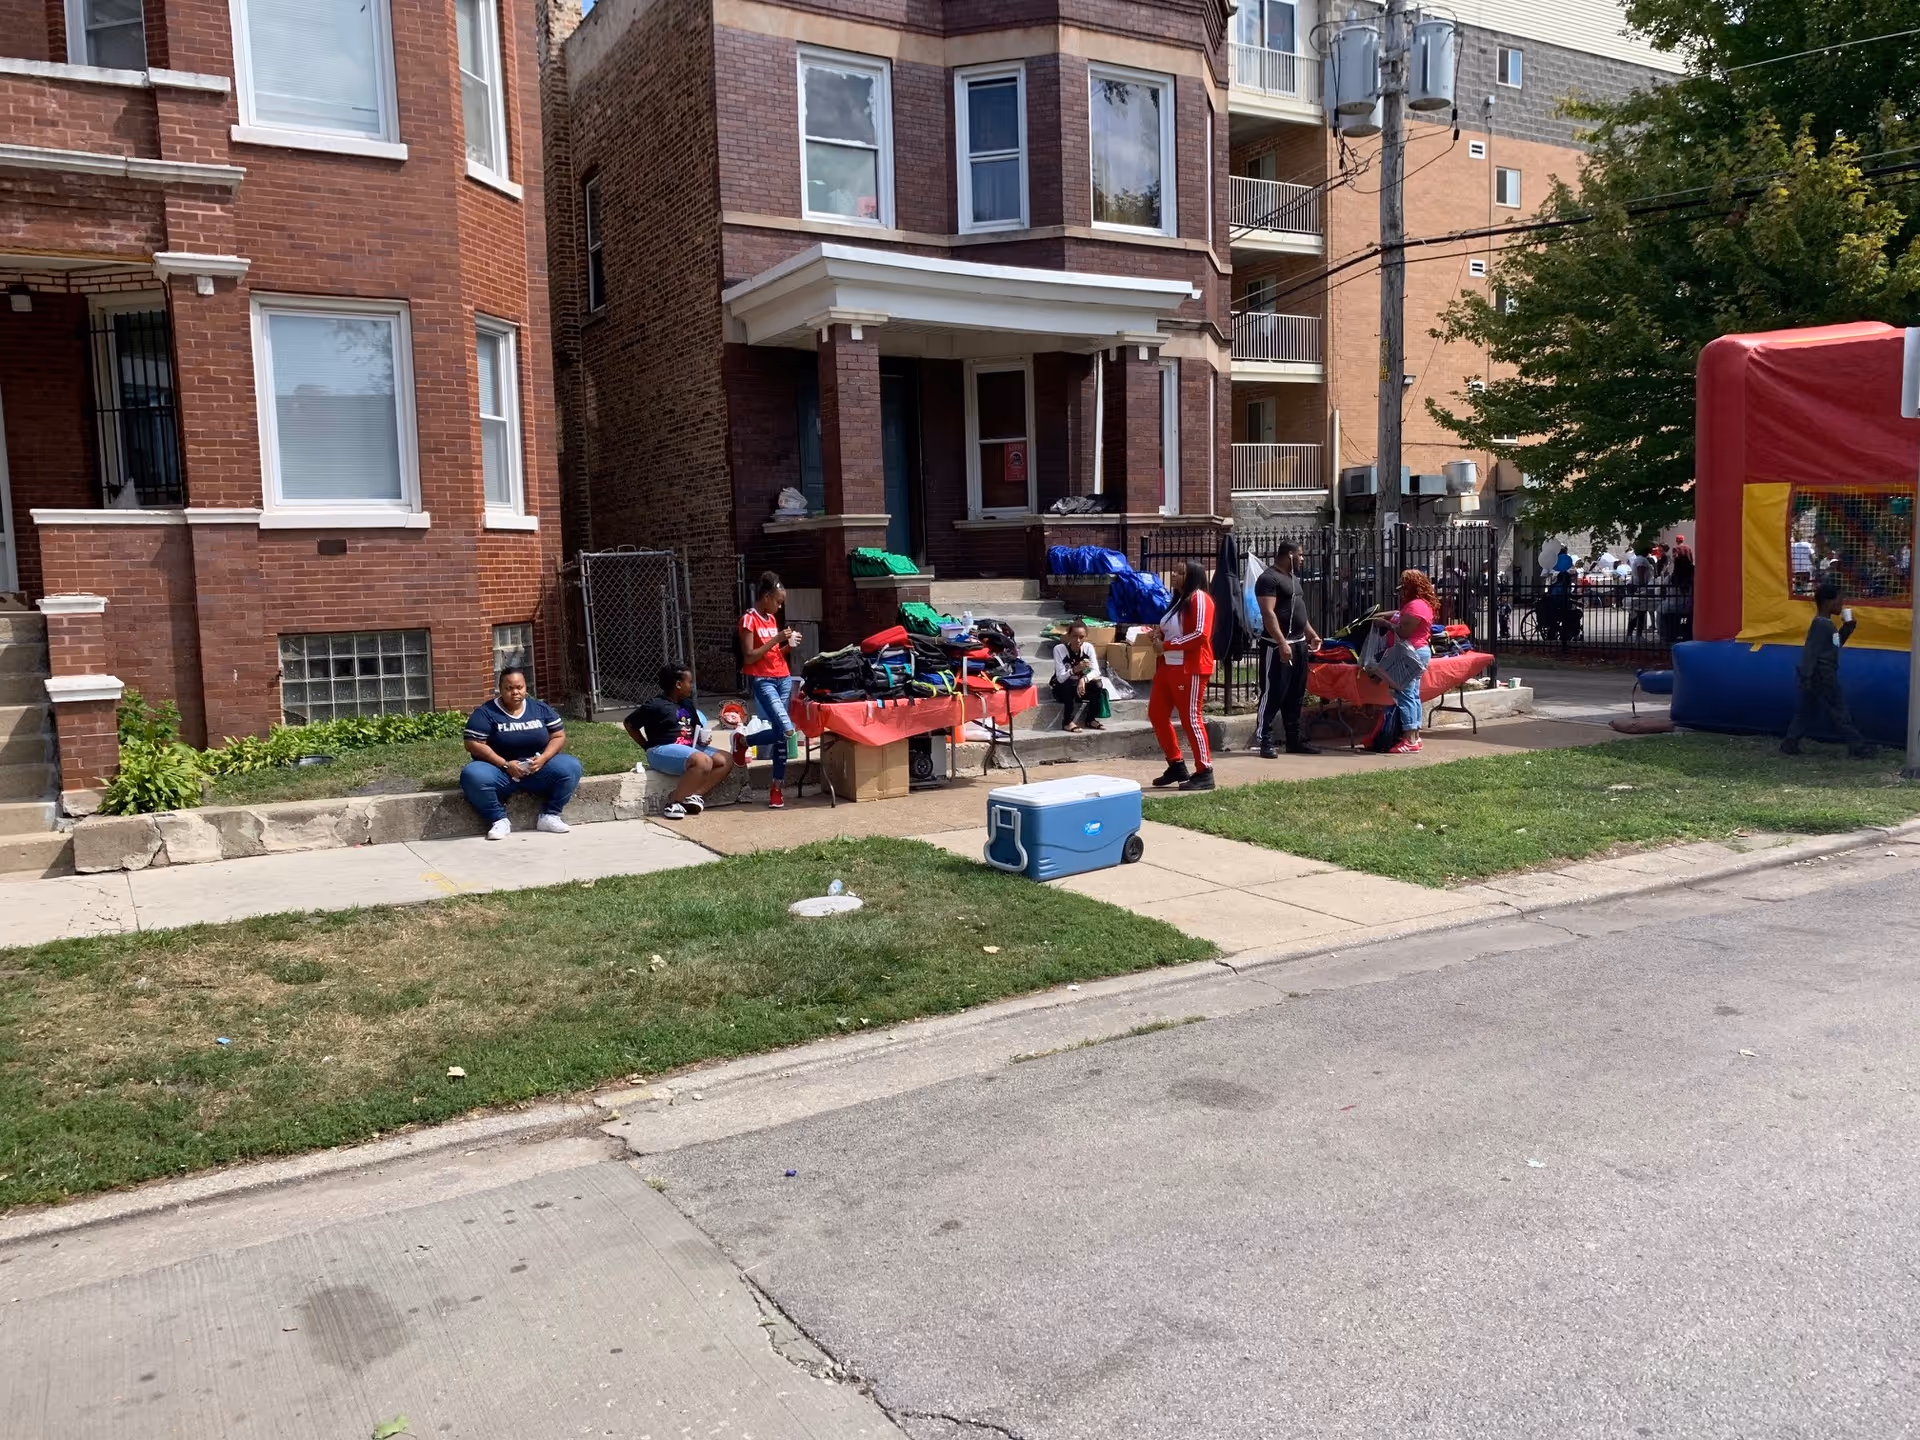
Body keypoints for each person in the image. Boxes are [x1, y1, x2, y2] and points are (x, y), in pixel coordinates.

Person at [460, 666, 584, 840]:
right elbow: (473, 744)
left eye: (519, 687)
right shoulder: (485, 713)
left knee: (571, 766)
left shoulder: (540, 708)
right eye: (509, 688)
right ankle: (499, 820)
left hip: (537, 770)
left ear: (526, 687)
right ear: (500, 689)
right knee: (472, 774)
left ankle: (550, 816)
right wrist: (505, 764)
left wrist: (543, 758)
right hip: (500, 772)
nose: (515, 692)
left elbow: (558, 735)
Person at [626, 664, 735, 819]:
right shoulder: (655, 705)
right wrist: (646, 746)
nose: (692, 686)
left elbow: (696, 728)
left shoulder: (687, 704)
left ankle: (693, 796)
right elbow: (629, 724)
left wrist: (702, 739)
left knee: (726, 759)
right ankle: (673, 802)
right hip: (661, 749)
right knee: (703, 761)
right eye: (689, 682)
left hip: (689, 749)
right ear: (678, 684)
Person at [1781, 583, 1871, 758]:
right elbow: (1811, 651)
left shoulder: (1827, 625)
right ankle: (1858, 747)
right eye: (1839, 600)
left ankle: (1790, 743)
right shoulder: (1822, 625)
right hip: (1823, 674)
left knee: (1807, 711)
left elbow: (1834, 645)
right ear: (1828, 602)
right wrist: (1806, 675)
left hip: (1816, 674)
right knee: (1839, 710)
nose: (1841, 604)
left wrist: (1847, 628)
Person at [1149, 560, 1216, 791]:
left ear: (1193, 576)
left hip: (1190, 667)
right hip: (1168, 666)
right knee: (1157, 714)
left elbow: (1200, 634)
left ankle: (1204, 771)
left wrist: (1166, 645)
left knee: (1191, 719)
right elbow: (1174, 631)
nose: (1175, 576)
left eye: (1181, 573)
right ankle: (1176, 764)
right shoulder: (1178, 601)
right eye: (1174, 571)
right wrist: (1158, 634)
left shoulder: (1200, 598)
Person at [1252, 541, 1322, 759]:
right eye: (1300, 555)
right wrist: (1282, 642)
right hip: (1277, 646)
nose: (1302, 559)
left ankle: (1294, 739)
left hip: (1299, 644)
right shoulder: (1268, 579)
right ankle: (1265, 739)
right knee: (1273, 693)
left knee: (1296, 694)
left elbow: (1298, 611)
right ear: (1289, 555)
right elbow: (1268, 613)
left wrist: (1311, 634)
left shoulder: (1293, 579)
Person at [738, 571, 801, 811]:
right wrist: (776, 640)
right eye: (778, 601)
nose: (780, 606)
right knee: (785, 727)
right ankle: (750, 740)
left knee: (779, 734)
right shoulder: (749, 620)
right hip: (763, 680)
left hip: (782, 677)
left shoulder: (771, 619)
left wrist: (787, 647)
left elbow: (772, 655)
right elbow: (750, 656)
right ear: (766, 597)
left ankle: (776, 786)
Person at [1363, 600, 1433, 755]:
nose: (1399, 591)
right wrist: (1381, 616)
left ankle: (1410, 740)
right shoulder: (1420, 605)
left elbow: (1403, 632)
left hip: (1409, 653)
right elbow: (1398, 614)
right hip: (1416, 651)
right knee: (1412, 695)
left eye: (1402, 588)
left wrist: (1386, 624)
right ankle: (1415, 737)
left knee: (1404, 695)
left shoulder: (1415, 607)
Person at [1050, 619, 1106, 732]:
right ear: (1069, 636)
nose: (1078, 640)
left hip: (1081, 689)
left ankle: (1091, 719)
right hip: (1062, 689)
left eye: (1081, 637)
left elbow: (1096, 671)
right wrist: (1075, 670)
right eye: (1074, 636)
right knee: (1071, 682)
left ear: (1086, 637)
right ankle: (1067, 722)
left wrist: (1084, 679)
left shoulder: (1088, 648)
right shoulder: (1059, 649)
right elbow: (1060, 678)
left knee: (1098, 685)